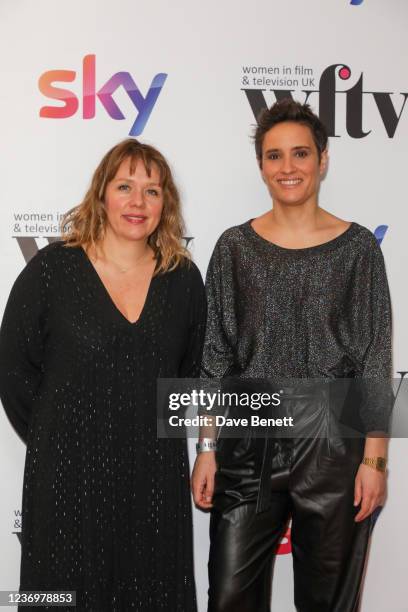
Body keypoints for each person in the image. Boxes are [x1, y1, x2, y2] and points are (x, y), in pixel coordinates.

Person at [192, 99, 391, 612]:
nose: (288, 167)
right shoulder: (233, 247)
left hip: (332, 442)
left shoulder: (358, 249)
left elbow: (373, 360)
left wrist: (374, 460)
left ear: (322, 160)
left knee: (328, 602)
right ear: (260, 165)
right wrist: (206, 448)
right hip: (246, 439)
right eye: (274, 156)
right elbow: (216, 356)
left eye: (300, 153)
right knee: (230, 596)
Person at [0, 138, 206, 611]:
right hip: (66, 479)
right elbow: (13, 370)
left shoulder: (183, 280)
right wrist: (62, 435)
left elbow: (190, 377)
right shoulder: (52, 271)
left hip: (154, 479)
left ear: (165, 205)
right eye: (125, 186)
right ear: (101, 195)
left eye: (152, 192)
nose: (137, 202)